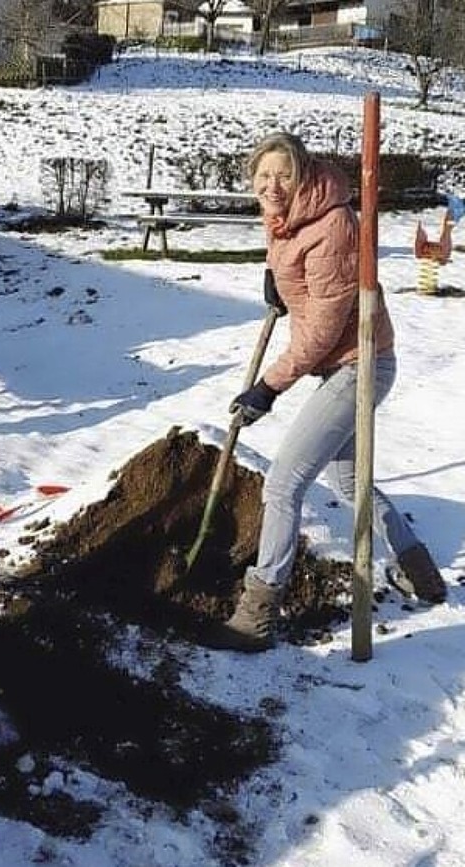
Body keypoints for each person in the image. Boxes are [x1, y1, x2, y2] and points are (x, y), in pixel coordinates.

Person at [210, 131, 446, 653]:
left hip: (359, 364)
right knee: (348, 480)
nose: (271, 185)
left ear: (304, 174)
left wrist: (267, 388)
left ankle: (257, 613)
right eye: (262, 176)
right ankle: (420, 571)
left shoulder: (332, 224)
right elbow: (300, 274)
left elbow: (322, 329)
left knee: (283, 483)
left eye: (283, 175)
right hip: (340, 364)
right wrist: (277, 276)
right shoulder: (290, 216)